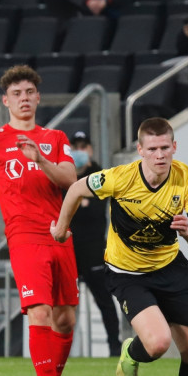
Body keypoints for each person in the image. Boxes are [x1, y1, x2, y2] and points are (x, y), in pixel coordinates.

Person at [51, 117, 188, 376]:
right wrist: (60, 229)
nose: (160, 155)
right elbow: (75, 189)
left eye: (165, 148)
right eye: (152, 149)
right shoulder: (120, 178)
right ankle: (131, 353)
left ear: (174, 146)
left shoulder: (186, 178)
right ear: (140, 150)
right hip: (127, 273)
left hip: (170, 267)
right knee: (158, 343)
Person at [0, 66, 79, 376]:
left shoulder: (55, 138)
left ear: (38, 97)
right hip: (24, 238)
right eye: (17, 94)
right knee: (39, 312)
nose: (24, 98)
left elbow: (71, 180)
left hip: (59, 233)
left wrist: (40, 159)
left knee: (66, 320)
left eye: (29, 92)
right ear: (6, 101)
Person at [68, 131, 123, 357]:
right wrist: (81, 202)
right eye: (75, 146)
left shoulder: (100, 175)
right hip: (68, 249)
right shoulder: (65, 175)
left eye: (83, 146)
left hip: (93, 249)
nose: (79, 151)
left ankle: (114, 347)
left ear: (90, 150)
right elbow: (62, 208)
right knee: (64, 303)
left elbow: (94, 210)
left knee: (104, 300)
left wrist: (73, 202)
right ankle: (62, 351)